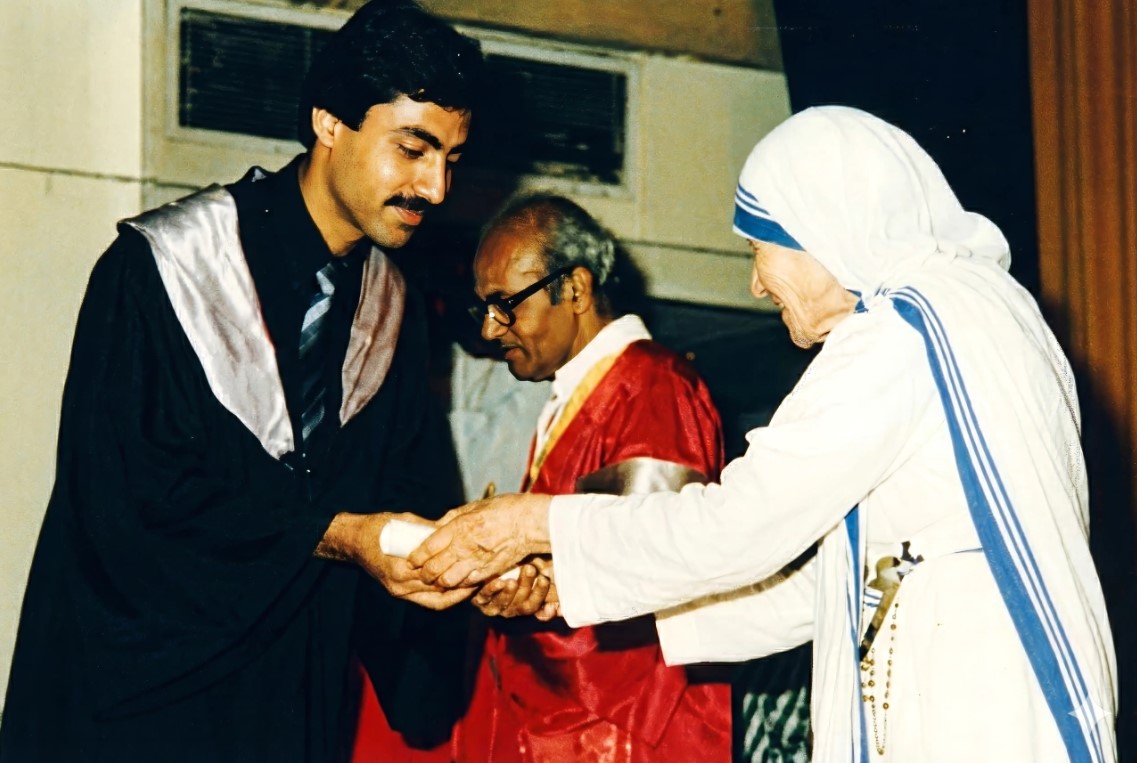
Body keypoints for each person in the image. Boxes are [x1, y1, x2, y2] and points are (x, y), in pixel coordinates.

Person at [409, 107, 1120, 762]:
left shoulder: (903, 328)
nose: (755, 284)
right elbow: (829, 583)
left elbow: (738, 524)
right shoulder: (967, 312)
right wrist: (570, 586)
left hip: (973, 714)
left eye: (759, 250)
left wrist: (534, 523)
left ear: (821, 229)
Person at [0, 3, 483, 761]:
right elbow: (127, 505)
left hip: (288, 712)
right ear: (329, 122)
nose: (437, 187)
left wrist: (470, 574)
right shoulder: (162, 271)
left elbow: (404, 508)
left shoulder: (393, 311)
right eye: (413, 149)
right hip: (139, 712)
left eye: (451, 158)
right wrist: (335, 535)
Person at [454, 193, 732, 762]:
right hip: (567, 723)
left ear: (576, 289)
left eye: (505, 305)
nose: (489, 329)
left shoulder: (652, 388)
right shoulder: (587, 391)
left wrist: (534, 590)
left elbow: (651, 579)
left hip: (620, 733)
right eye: (482, 308)